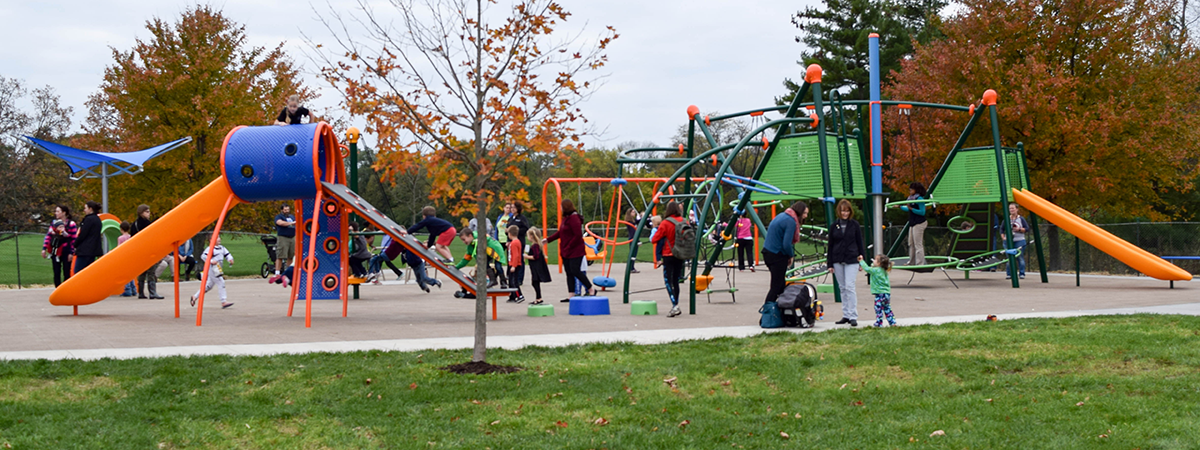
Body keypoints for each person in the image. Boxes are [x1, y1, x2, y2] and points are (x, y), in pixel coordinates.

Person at [544, 198, 595, 300]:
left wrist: (569, 246)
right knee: (569, 272)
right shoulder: (565, 219)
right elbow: (561, 232)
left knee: (575, 270)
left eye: (561, 206)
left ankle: (590, 289)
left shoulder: (574, 218)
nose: (560, 208)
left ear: (566, 207)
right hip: (565, 251)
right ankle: (571, 294)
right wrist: (548, 240)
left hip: (575, 250)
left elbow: (577, 235)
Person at [827, 199, 866, 327]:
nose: (845, 213)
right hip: (837, 259)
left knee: (850, 286)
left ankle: (853, 315)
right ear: (839, 211)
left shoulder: (854, 225)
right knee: (842, 288)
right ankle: (846, 314)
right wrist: (830, 264)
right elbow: (831, 245)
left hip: (852, 258)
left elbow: (860, 242)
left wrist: (862, 260)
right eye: (843, 211)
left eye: (847, 211)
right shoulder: (834, 226)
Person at [762, 202, 807, 306]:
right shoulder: (791, 221)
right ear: (799, 212)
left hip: (768, 252)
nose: (805, 216)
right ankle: (768, 311)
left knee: (781, 284)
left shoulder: (783, 215)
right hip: (776, 255)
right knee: (776, 287)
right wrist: (790, 255)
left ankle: (780, 310)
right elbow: (786, 244)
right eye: (804, 213)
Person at [651, 201, 686, 318]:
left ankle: (675, 305)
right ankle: (675, 303)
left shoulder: (666, 223)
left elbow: (654, 238)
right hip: (680, 253)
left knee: (668, 280)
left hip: (668, 254)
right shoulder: (684, 221)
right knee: (676, 280)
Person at [190, 236, 235, 309]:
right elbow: (203, 256)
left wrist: (230, 259)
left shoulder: (222, 248)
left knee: (209, 286)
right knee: (221, 282)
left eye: (219, 237)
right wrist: (211, 261)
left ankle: (195, 296)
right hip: (212, 269)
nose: (219, 239)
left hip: (218, 268)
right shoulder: (210, 249)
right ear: (211, 240)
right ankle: (223, 301)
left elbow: (227, 254)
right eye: (217, 238)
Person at [130, 204, 162, 299]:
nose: (149, 214)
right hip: (148, 249)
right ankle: (152, 292)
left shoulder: (134, 224)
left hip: (139, 250)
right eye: (147, 212)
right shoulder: (147, 224)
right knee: (151, 272)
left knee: (142, 272)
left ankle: (141, 293)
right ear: (141, 212)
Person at [41, 204, 78, 287]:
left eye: (58, 211)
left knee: (66, 270)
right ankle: (57, 288)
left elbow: (74, 239)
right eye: (56, 211)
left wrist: (71, 252)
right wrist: (44, 248)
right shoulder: (54, 223)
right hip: (56, 249)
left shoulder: (71, 224)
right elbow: (48, 236)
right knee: (56, 271)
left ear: (64, 213)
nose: (56, 213)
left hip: (66, 250)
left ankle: (66, 289)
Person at [896, 182, 928, 266]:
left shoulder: (919, 199)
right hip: (913, 223)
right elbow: (908, 209)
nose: (910, 190)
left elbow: (922, 212)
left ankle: (920, 263)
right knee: (911, 243)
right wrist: (900, 207)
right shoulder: (910, 198)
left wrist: (912, 209)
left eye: (911, 189)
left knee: (918, 244)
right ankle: (912, 262)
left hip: (919, 223)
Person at [859, 254, 895, 327]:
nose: (873, 261)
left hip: (879, 293)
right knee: (887, 308)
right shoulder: (884, 270)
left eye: (875, 260)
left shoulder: (875, 270)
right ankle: (892, 322)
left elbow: (867, 268)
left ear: (879, 263)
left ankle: (879, 323)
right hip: (887, 293)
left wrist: (861, 261)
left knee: (878, 308)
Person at [72, 202, 103, 276]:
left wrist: (75, 244)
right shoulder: (98, 220)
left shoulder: (88, 220)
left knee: (78, 271)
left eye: (85, 208)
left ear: (90, 209)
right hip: (93, 250)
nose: (84, 210)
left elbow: (83, 234)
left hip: (84, 250)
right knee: (88, 272)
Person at [1001, 202, 1031, 280]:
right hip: (1008, 241)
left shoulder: (1021, 219)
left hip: (1019, 240)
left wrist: (1020, 229)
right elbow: (1001, 229)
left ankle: (1021, 273)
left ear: (1017, 209)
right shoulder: (1007, 219)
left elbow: (1027, 229)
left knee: (1019, 257)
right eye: (1010, 208)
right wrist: (1003, 237)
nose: (1011, 210)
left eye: (1013, 208)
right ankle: (1009, 274)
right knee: (1009, 258)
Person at [269, 204, 296, 284]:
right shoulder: (279, 217)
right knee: (280, 255)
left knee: (291, 256)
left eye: (288, 209)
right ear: (282, 210)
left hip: (292, 237)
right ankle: (277, 273)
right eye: (285, 210)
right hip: (283, 237)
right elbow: (280, 223)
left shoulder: (292, 216)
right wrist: (291, 223)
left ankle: (288, 273)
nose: (287, 211)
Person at [524, 227, 552, 305]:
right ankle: (538, 297)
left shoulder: (535, 246)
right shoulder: (535, 245)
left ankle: (539, 298)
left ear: (531, 236)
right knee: (535, 282)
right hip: (535, 266)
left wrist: (526, 256)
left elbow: (536, 256)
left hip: (537, 267)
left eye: (528, 236)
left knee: (535, 282)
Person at [506, 226, 525, 303]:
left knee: (514, 281)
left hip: (514, 264)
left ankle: (519, 295)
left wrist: (513, 266)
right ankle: (512, 296)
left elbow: (516, 255)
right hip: (513, 264)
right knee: (511, 280)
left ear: (510, 234)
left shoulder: (514, 243)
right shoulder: (515, 242)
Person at [118, 222, 136, 296]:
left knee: (125, 274)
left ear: (121, 229)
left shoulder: (120, 238)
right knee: (131, 273)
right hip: (130, 256)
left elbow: (119, 248)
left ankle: (127, 289)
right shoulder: (131, 237)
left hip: (124, 257)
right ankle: (133, 289)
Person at [624, 208, 641, 274]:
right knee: (633, 254)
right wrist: (638, 241)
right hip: (633, 239)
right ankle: (631, 268)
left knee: (634, 254)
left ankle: (632, 267)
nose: (634, 213)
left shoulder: (632, 222)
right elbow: (633, 232)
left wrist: (639, 219)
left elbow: (636, 223)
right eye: (633, 212)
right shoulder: (630, 223)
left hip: (633, 239)